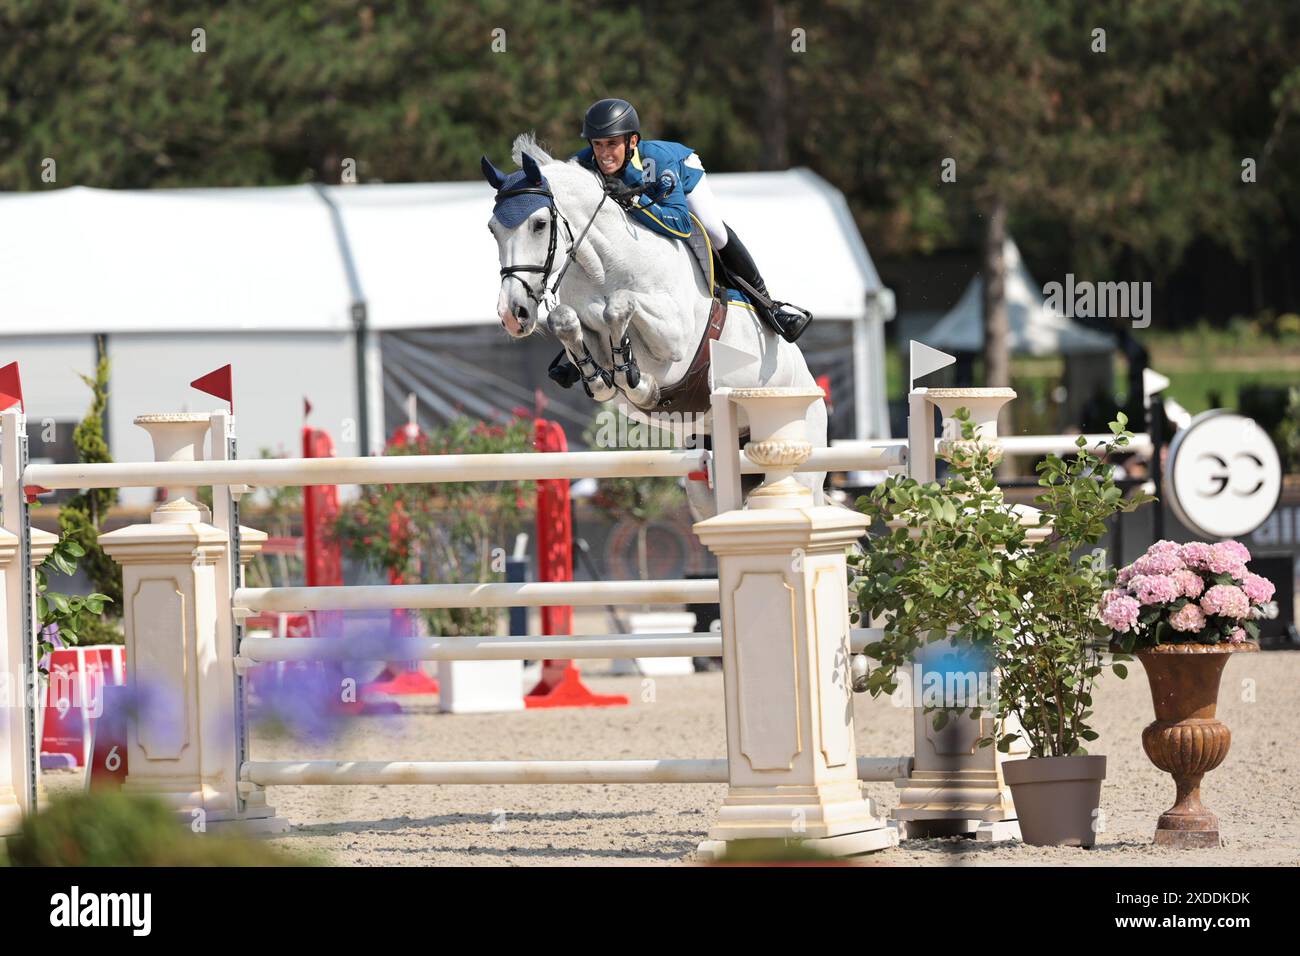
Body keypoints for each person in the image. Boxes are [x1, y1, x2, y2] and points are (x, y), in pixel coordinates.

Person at [573, 98, 812, 343]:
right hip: (639, 196)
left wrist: (633, 200)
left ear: (632, 141)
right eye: (597, 144)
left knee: (714, 230)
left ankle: (769, 307)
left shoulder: (660, 162)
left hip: (682, 181)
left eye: (611, 144)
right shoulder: (584, 162)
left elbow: (681, 224)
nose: (603, 154)